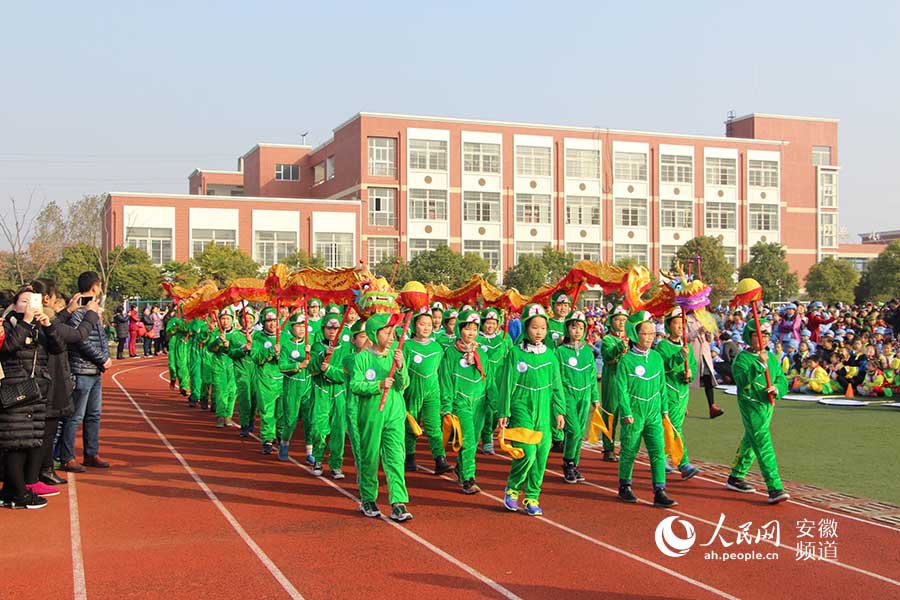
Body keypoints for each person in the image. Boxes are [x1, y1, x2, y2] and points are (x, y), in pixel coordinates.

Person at [0, 285, 65, 509]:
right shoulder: (7, 325)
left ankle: (10, 491)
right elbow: (8, 349)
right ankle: (19, 495)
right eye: (24, 301)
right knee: (15, 442)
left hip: (35, 392)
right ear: (15, 305)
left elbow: (58, 348)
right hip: (14, 391)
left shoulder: (39, 327)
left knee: (27, 442)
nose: (29, 306)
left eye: (32, 301)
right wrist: (26, 322)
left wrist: (49, 326)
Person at [499, 303, 566, 517]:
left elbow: (557, 386)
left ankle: (532, 497)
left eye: (543, 328)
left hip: (544, 410)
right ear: (526, 328)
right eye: (534, 327)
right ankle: (513, 487)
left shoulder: (550, 357)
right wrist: (504, 411)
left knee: (541, 455)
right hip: (521, 406)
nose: (539, 332)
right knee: (527, 453)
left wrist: (559, 411)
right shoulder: (516, 354)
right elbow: (507, 384)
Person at [32, 279, 99, 487]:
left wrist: (69, 310)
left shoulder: (44, 319)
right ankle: (42, 471)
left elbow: (55, 324)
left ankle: (42, 471)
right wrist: (91, 314)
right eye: (54, 298)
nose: (56, 302)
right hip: (50, 381)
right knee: (48, 428)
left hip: (50, 379)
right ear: (45, 298)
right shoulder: (42, 322)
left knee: (48, 427)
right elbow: (76, 335)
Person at [350, 312, 412, 522]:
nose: (392, 336)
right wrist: (377, 385)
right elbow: (355, 385)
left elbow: (404, 385)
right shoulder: (362, 358)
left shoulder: (397, 354)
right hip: (371, 414)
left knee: (396, 456)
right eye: (387, 332)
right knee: (370, 456)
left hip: (394, 412)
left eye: (394, 331)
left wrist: (402, 367)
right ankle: (368, 498)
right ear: (373, 334)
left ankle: (398, 502)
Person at [614, 311, 677, 508]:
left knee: (658, 451)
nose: (649, 338)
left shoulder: (657, 358)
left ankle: (660, 490)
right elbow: (621, 389)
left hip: (654, 413)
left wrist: (665, 410)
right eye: (645, 334)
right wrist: (626, 412)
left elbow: (661, 386)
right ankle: (625, 485)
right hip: (634, 412)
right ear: (635, 334)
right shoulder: (626, 361)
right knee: (629, 450)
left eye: (652, 334)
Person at [726, 318, 790, 504]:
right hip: (751, 404)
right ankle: (774, 486)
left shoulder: (771, 357)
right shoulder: (742, 358)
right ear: (749, 337)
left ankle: (736, 475)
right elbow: (741, 380)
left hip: (768, 405)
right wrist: (759, 365)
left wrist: (777, 388)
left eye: (766, 335)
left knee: (751, 439)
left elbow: (781, 379)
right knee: (762, 442)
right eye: (758, 335)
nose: (763, 339)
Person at [59, 272, 112, 472]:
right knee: (75, 416)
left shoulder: (94, 311)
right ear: (94, 287)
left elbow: (101, 339)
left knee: (94, 414)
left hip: (95, 371)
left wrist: (105, 359)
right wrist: (101, 359)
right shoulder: (78, 313)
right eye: (98, 286)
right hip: (81, 370)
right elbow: (80, 341)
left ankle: (91, 453)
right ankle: (67, 456)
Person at [439, 309, 488, 494]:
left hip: (480, 403)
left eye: (475, 329)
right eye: (467, 329)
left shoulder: (481, 353)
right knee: (467, 439)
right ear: (460, 330)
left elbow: (488, 379)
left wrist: (495, 404)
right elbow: (446, 380)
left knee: (474, 441)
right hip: (461, 402)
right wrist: (446, 406)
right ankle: (469, 478)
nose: (471, 333)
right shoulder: (451, 353)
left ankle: (460, 467)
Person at [403, 308, 451, 475]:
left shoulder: (437, 347)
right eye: (422, 324)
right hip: (412, 390)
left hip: (432, 391)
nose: (426, 327)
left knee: (433, 426)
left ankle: (440, 458)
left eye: (429, 324)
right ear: (414, 325)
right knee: (411, 424)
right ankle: (409, 457)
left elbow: (441, 372)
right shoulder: (407, 346)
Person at [654, 308, 700, 481]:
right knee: (674, 427)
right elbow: (663, 367)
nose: (681, 327)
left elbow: (693, 367)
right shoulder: (663, 346)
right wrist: (680, 357)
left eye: (683, 323)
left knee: (672, 427)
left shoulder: (686, 346)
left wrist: (690, 374)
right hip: (668, 392)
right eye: (676, 323)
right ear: (668, 326)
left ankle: (663, 457)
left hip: (683, 393)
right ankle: (682, 463)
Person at [556, 310, 599, 484]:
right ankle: (568, 462)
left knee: (580, 432)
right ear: (567, 329)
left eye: (581, 327)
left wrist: (595, 397)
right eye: (574, 327)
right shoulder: (559, 352)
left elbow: (592, 375)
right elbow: (556, 378)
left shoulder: (588, 351)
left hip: (585, 396)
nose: (578, 331)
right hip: (568, 396)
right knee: (573, 430)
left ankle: (575, 464)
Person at [308, 311, 351, 477]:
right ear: (323, 328)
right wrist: (322, 357)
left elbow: (346, 374)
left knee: (339, 430)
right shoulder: (317, 347)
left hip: (339, 392)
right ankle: (318, 459)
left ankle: (336, 464)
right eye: (329, 327)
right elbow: (311, 369)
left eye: (336, 327)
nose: (332, 331)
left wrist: (330, 370)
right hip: (321, 390)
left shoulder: (347, 349)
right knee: (318, 428)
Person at [276, 312, 311, 461]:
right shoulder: (286, 346)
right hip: (292, 385)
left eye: (303, 326)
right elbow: (282, 366)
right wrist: (298, 365)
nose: (301, 329)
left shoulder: (310, 343)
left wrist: (312, 355)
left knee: (310, 420)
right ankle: (284, 444)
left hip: (308, 385)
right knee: (290, 420)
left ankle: (310, 451)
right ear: (292, 328)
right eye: (298, 326)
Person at [250, 308, 283, 454]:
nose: (272, 324)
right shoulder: (258, 337)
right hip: (265, 379)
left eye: (274, 321)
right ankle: (268, 438)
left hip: (283, 379)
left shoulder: (286, 337)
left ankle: (281, 435)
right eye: (269, 321)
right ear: (263, 322)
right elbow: (256, 358)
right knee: (267, 410)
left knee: (282, 411)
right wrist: (271, 352)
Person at [600, 306, 629, 462]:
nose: (621, 323)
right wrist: (620, 346)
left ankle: (626, 446)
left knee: (628, 414)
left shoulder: (632, 338)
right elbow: (608, 357)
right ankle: (608, 448)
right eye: (617, 319)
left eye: (624, 320)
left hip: (628, 381)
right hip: (612, 379)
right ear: (611, 321)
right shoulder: (607, 340)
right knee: (611, 414)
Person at [686, 310, 725, 419]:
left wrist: (708, 332)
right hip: (693, 353)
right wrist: (698, 331)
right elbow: (685, 338)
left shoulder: (705, 318)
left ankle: (712, 406)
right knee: (687, 380)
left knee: (708, 380)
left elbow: (710, 339)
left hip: (705, 354)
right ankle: (683, 405)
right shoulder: (687, 319)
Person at [206, 308, 240, 428]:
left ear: (232, 320)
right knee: (221, 391)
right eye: (223, 319)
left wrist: (229, 346)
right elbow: (210, 348)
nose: (225, 321)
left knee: (232, 392)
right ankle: (220, 415)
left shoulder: (237, 334)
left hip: (233, 364)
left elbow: (241, 349)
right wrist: (218, 342)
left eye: (228, 319)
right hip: (219, 364)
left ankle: (228, 415)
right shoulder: (216, 333)